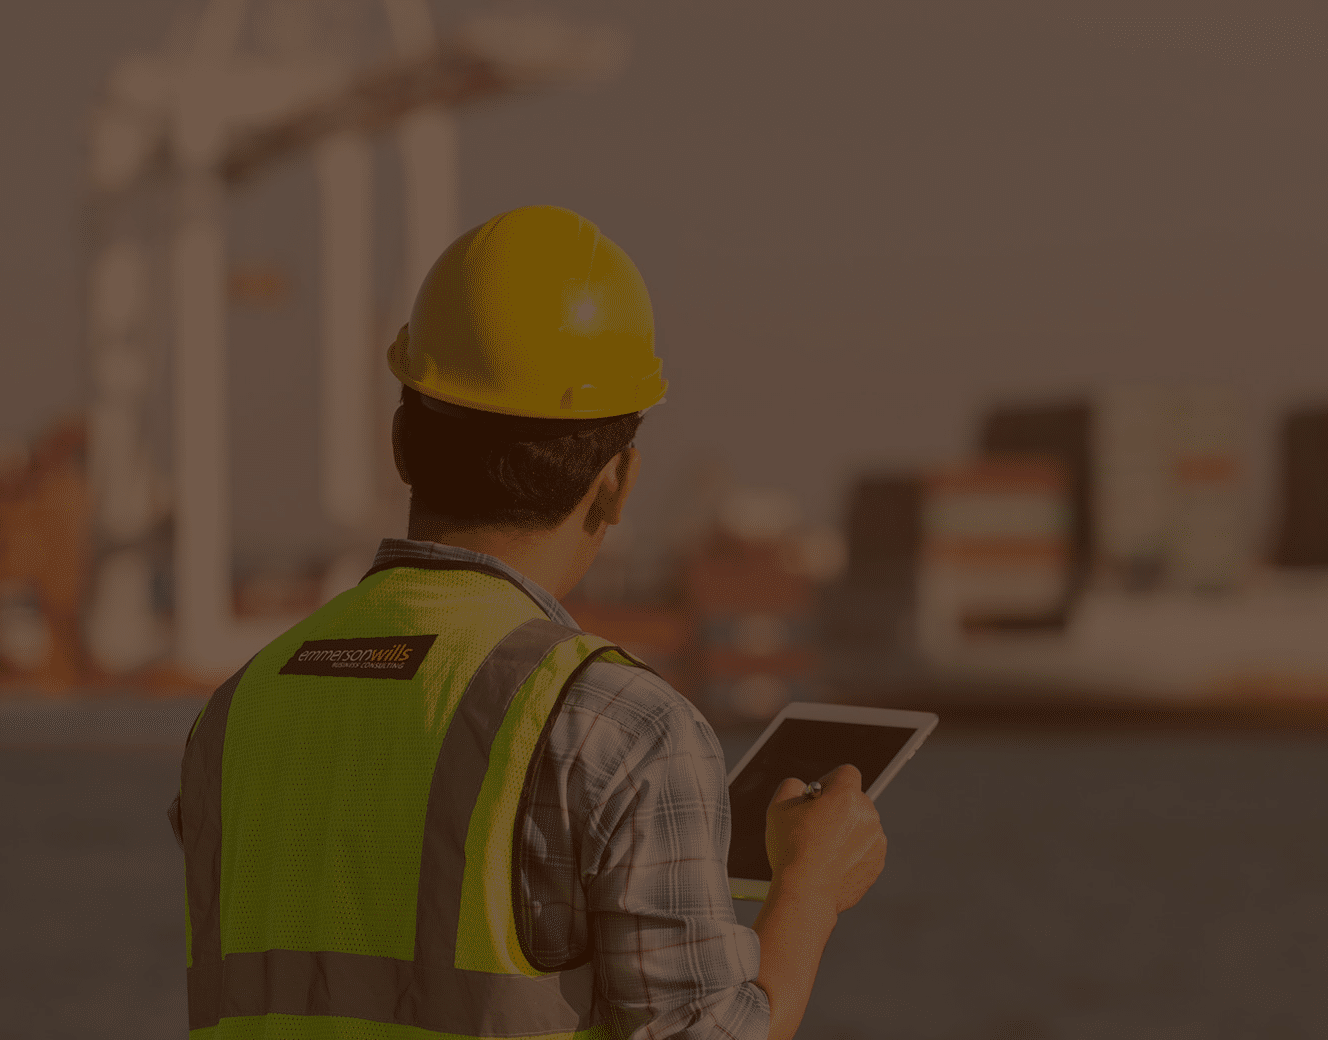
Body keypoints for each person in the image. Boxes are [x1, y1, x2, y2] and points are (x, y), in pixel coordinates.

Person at [172, 204, 886, 1040]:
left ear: (400, 441)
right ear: (617, 482)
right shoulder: (624, 728)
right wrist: (807, 888)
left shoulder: (238, 711)